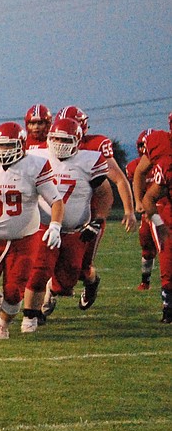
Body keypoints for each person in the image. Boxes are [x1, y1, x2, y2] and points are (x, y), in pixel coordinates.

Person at [0, 122, 64, 340]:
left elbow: (56, 200)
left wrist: (55, 226)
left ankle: (3, 324)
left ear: (21, 144)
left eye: (8, 146)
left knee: (14, 290)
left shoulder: (35, 165)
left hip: (24, 239)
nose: (3, 151)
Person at [20, 116, 109, 331]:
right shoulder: (36, 155)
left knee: (67, 281)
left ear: (78, 142)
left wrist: (97, 220)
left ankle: (80, 285)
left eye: (66, 141)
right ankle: (32, 315)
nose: (59, 145)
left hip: (75, 230)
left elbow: (105, 193)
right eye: (56, 139)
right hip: (44, 226)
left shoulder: (90, 161)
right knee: (39, 270)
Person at [45, 105, 136, 316]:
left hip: (90, 215)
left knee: (82, 267)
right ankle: (46, 295)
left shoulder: (95, 147)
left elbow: (118, 179)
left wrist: (129, 210)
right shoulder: (48, 145)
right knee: (45, 258)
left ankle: (91, 282)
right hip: (56, 214)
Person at [132, 124, 172, 322]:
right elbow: (142, 179)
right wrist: (139, 202)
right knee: (166, 253)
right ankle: (168, 304)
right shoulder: (164, 158)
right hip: (164, 208)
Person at [129, 129, 162, 291]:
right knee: (146, 246)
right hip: (149, 213)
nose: (143, 148)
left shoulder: (163, 161)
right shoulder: (134, 167)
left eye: (145, 145)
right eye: (141, 145)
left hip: (164, 207)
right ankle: (145, 281)